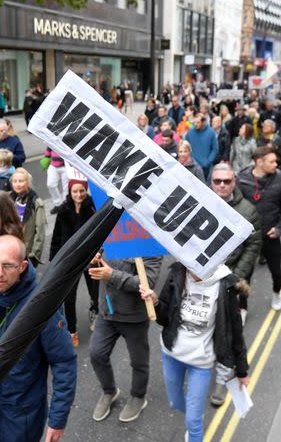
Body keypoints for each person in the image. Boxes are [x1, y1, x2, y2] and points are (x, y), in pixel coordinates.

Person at [0, 235, 77, 442]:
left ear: (23, 266)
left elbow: (63, 361)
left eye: (8, 266)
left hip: (19, 417)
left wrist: (57, 419)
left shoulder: (43, 304)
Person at [140, 262, 250, 442]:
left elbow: (235, 331)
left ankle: (194, 421)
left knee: (193, 420)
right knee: (175, 402)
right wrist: (157, 302)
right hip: (172, 354)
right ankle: (194, 413)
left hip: (201, 362)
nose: (193, 273)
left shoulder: (225, 285)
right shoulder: (177, 273)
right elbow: (165, 318)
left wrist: (242, 371)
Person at [208, 164, 261, 406]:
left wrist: (235, 277)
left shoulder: (248, 210)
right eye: (217, 181)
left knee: (228, 333)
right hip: (203, 279)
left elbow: (253, 246)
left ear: (234, 182)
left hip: (228, 282)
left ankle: (222, 378)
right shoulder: (202, 202)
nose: (221, 185)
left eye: (226, 181)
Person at [88, 252, 162, 423]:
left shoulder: (150, 244)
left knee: (139, 362)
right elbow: (96, 269)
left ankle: (138, 397)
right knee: (96, 353)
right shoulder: (110, 233)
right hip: (107, 310)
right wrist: (93, 262)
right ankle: (109, 391)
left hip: (134, 317)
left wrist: (112, 275)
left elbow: (147, 282)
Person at [237, 146, 281, 310]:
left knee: (276, 272)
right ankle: (242, 307)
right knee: (244, 275)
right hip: (249, 238)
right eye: (272, 161)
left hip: (271, 236)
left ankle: (277, 293)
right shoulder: (242, 179)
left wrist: (280, 228)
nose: (276, 164)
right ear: (259, 162)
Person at [50, 180, 98, 345]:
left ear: (86, 191)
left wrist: (99, 253)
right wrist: (53, 262)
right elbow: (56, 237)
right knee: (69, 298)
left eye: (82, 191)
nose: (79, 195)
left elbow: (102, 234)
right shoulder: (63, 210)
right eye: (75, 192)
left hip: (90, 258)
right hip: (70, 261)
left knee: (95, 293)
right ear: (70, 192)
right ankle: (72, 330)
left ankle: (95, 314)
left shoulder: (93, 208)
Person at [9, 168, 47, 266]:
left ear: (28, 183)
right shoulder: (9, 199)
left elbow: (40, 231)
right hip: (10, 249)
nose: (17, 184)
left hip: (26, 253)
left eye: (21, 181)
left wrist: (34, 256)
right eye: (15, 181)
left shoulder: (36, 202)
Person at [44, 147, 68, 214]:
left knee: (66, 188)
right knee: (50, 184)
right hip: (53, 165)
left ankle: (65, 205)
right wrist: (46, 159)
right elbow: (47, 154)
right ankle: (57, 204)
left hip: (66, 166)